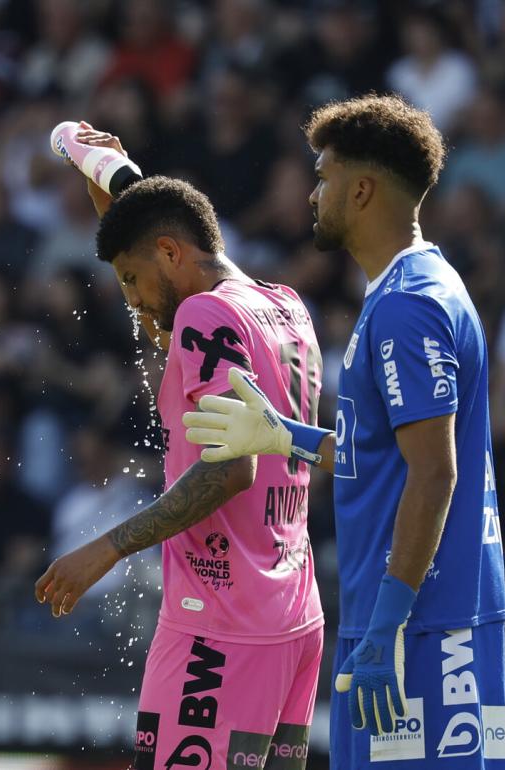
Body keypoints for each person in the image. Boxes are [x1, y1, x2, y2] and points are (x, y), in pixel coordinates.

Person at [184, 94, 505, 769]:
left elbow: (436, 471)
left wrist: (387, 629)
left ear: (361, 189)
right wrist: (284, 436)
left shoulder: (408, 307)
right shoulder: (413, 289)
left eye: (324, 176)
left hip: (421, 627)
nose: (313, 194)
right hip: (415, 614)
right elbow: (383, 455)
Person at [34, 128, 325, 769]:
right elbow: (165, 237)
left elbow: (231, 471)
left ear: (169, 252)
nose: (132, 300)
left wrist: (106, 548)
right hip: (292, 615)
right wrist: (113, 183)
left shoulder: (205, 318)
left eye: (133, 279)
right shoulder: (286, 308)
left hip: (218, 624)